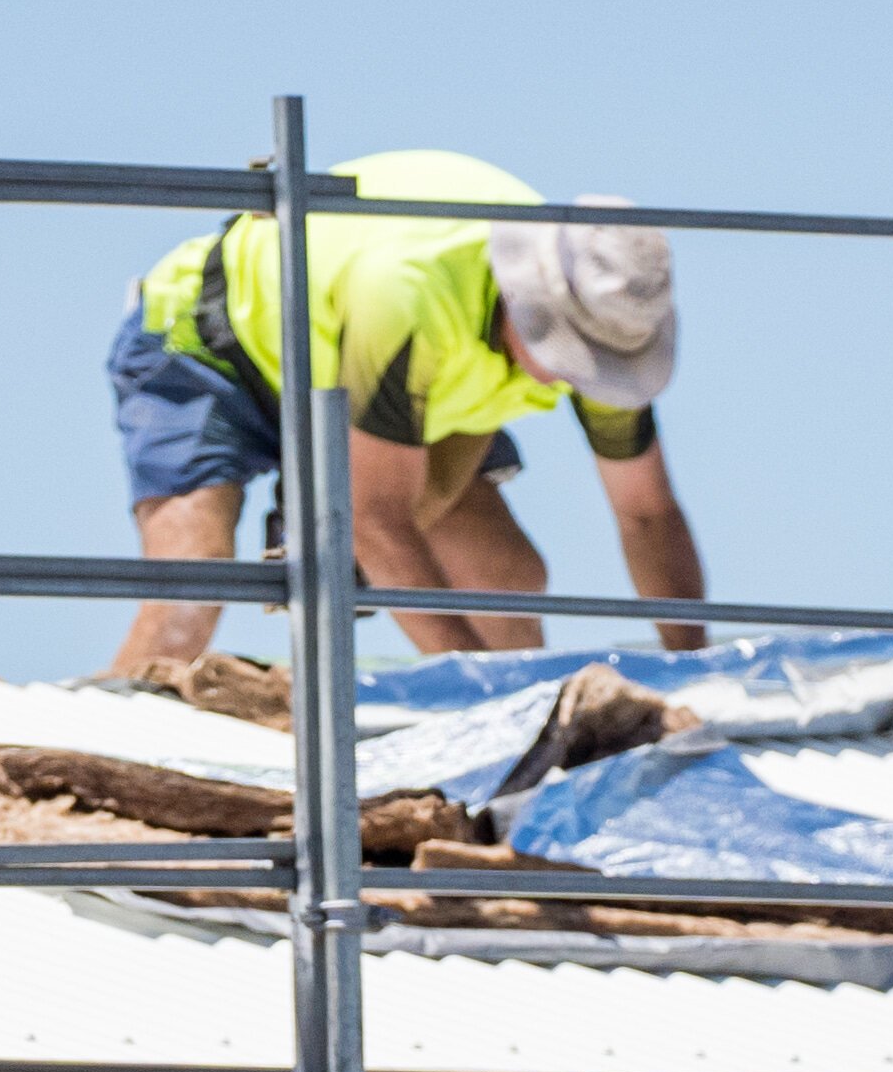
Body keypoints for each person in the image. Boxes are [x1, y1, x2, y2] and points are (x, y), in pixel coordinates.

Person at [96, 147, 708, 679]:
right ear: (526, 299)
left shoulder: (608, 316)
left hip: (401, 368)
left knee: (504, 578)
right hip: (219, 338)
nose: (571, 376)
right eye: (566, 352)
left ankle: (506, 789)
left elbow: (648, 515)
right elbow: (373, 517)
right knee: (195, 575)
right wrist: (478, 691)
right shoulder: (408, 292)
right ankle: (96, 749)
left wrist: (697, 673)